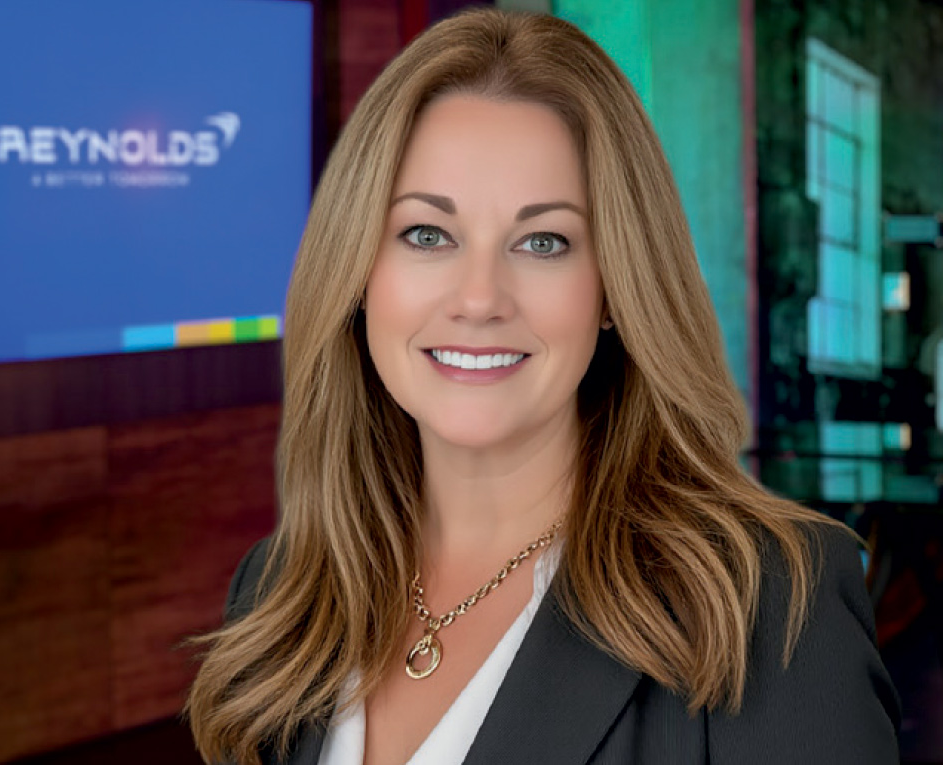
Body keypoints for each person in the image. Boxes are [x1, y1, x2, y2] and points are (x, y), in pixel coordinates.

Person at [186, 8, 900, 764]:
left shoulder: (771, 609)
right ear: (360, 274)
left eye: (543, 241)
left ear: (615, 291)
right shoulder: (277, 593)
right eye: (427, 234)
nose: (479, 296)